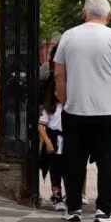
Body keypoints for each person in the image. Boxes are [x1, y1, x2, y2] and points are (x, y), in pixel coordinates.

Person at [54, 0, 111, 222]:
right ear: (108, 16)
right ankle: (105, 210)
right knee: (107, 162)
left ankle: (73, 208)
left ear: (83, 12)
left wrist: (66, 100)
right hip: (110, 111)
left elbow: (59, 74)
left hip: (76, 110)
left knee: (74, 161)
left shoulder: (68, 37)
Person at [38, 78, 65, 211]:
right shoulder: (50, 108)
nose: (59, 94)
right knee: (55, 171)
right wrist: (47, 142)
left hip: (68, 143)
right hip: (54, 142)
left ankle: (71, 196)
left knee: (69, 171)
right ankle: (57, 196)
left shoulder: (71, 106)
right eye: (57, 91)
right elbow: (41, 126)